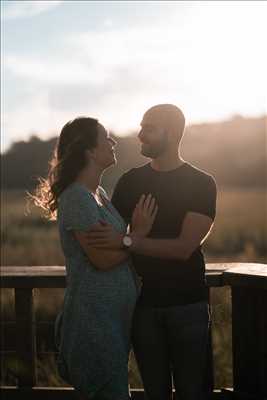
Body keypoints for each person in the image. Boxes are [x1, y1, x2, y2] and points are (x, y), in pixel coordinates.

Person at [85, 104, 217, 400]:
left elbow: (183, 248)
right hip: (142, 307)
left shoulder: (202, 184)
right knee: (154, 394)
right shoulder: (131, 181)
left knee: (194, 392)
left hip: (188, 305)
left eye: (149, 128)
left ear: (170, 134)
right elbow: (109, 238)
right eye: (141, 126)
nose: (140, 133)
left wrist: (131, 240)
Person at [31, 116, 158, 400]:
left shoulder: (96, 193)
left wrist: (125, 243)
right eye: (106, 138)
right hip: (93, 325)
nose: (113, 142)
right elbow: (101, 259)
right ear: (89, 150)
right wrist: (136, 236)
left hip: (111, 323)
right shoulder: (76, 197)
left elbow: (114, 250)